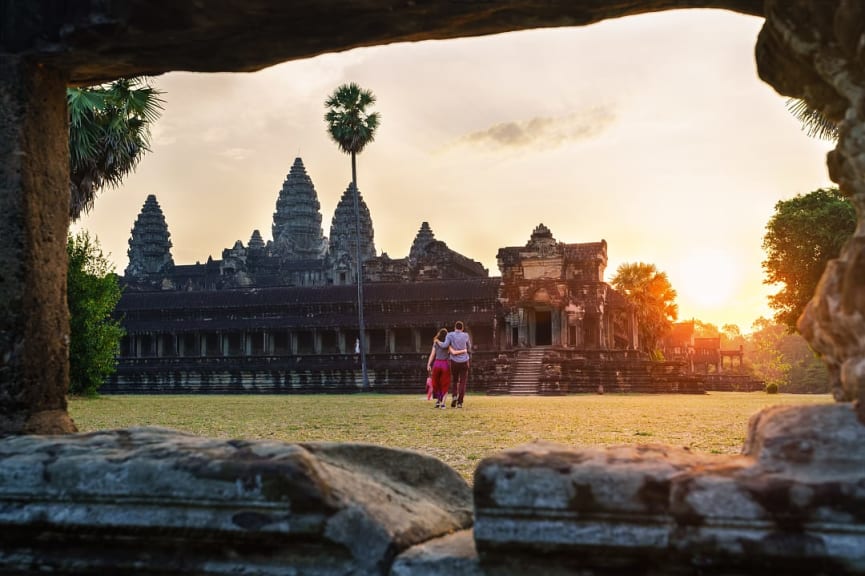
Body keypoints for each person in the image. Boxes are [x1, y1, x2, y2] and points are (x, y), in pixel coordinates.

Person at [437, 320, 471, 408]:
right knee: (463, 382)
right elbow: (469, 347)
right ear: (462, 328)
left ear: (455, 327)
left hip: (454, 361)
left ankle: (454, 396)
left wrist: (437, 341)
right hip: (464, 361)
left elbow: (444, 345)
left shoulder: (450, 335)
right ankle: (460, 402)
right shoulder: (466, 335)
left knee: (455, 380)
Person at [427, 328, 451, 409]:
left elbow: (432, 354)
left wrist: (429, 364)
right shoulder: (448, 343)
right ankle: (443, 404)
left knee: (436, 383)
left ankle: (438, 401)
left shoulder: (436, 343)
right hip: (445, 364)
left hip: (437, 363)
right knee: (445, 383)